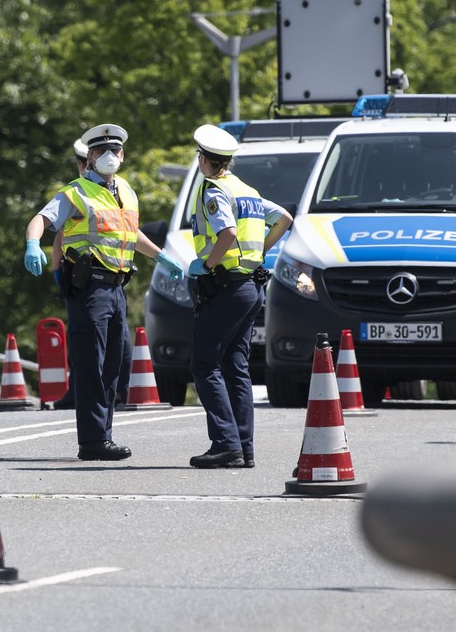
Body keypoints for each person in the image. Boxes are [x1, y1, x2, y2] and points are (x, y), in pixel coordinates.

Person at [23, 124, 161, 459]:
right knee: (90, 363)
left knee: (113, 364)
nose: (109, 156)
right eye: (101, 151)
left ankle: (103, 436)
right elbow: (41, 219)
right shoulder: (76, 192)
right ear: (90, 158)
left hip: (117, 287)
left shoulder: (125, 191)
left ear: (123, 156)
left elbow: (131, 233)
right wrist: (32, 243)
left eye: (115, 151)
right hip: (90, 288)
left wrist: (161, 256)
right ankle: (92, 440)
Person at [185, 124, 293, 468]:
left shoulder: (214, 190)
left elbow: (228, 232)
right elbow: (285, 218)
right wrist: (260, 252)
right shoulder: (247, 191)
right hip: (250, 287)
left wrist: (207, 264)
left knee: (204, 364)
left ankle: (225, 443)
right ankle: (243, 448)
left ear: (204, 160)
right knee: (235, 366)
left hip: (226, 287)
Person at [46, 135, 88, 411]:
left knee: (82, 337)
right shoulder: (117, 190)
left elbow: (60, 234)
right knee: (105, 338)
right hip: (107, 274)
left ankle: (81, 392)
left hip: (83, 276)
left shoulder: (77, 192)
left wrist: (56, 268)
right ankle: (117, 390)